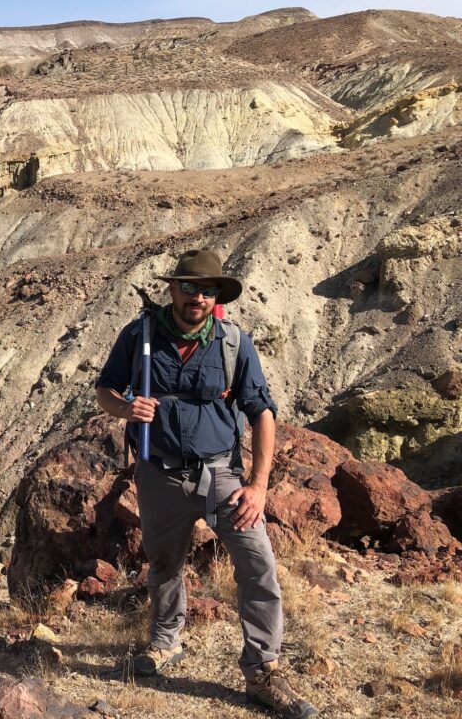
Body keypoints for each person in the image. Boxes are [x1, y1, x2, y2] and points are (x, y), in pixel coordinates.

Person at [95, 249, 319, 719]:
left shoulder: (234, 342)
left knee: (257, 564)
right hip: (158, 472)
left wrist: (258, 485)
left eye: (207, 289)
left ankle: (261, 671)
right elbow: (106, 389)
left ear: (217, 296)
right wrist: (125, 409)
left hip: (222, 476)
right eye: (189, 287)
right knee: (164, 563)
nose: (198, 296)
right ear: (171, 289)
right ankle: (164, 642)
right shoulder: (139, 336)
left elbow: (262, 413)